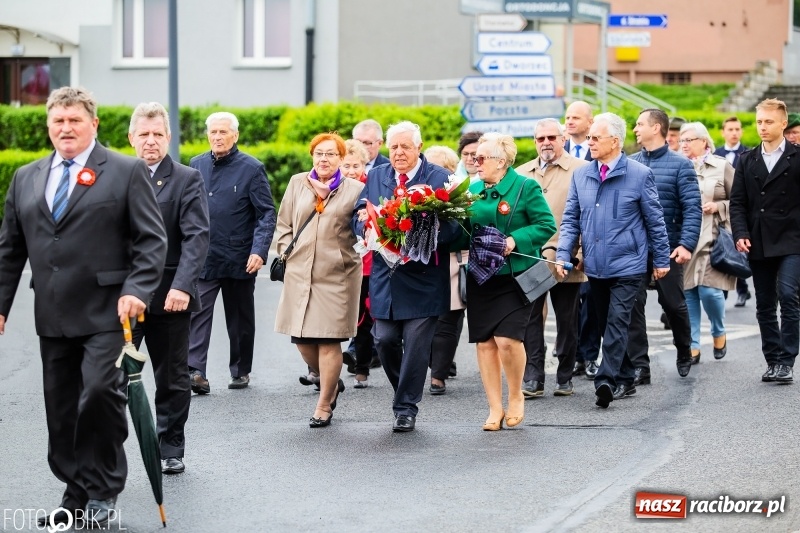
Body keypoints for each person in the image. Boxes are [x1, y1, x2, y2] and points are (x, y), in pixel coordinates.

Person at [0, 86, 167, 527]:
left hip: (109, 313)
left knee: (98, 395)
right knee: (61, 410)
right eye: (58, 121)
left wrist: (138, 289)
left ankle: (103, 491)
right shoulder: (26, 178)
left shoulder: (126, 172)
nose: (66, 128)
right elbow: (9, 251)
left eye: (74, 120)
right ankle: (75, 490)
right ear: (49, 127)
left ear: (93, 124)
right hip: (53, 314)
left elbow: (152, 241)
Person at [557, 112, 671, 408]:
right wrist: (563, 253)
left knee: (619, 321)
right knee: (608, 322)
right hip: (596, 265)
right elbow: (571, 219)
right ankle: (626, 376)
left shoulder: (639, 174)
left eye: (596, 137)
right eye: (590, 137)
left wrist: (661, 259)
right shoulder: (582, 174)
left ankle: (606, 379)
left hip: (629, 265)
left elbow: (655, 221)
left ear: (615, 142)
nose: (589, 142)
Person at [353, 121, 460, 432]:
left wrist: (423, 234)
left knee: (415, 345)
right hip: (387, 277)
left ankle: (405, 407)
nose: (398, 153)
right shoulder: (376, 176)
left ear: (419, 147)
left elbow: (458, 227)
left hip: (425, 278)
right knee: (384, 341)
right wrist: (365, 225)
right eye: (394, 147)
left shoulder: (441, 178)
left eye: (405, 147)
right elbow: (358, 215)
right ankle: (406, 390)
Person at [127, 102, 209, 475]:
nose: (150, 141)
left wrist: (183, 286)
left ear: (168, 137)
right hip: (122, 298)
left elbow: (196, 237)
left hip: (169, 297)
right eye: (143, 134)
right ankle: (107, 447)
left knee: (172, 378)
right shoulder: (115, 177)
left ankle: (170, 446)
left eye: (157, 134)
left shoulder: (186, 178)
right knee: (108, 376)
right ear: (131, 137)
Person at [459, 133, 556, 429]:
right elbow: (462, 231)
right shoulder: (472, 190)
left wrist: (516, 239)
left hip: (516, 276)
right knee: (485, 343)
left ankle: (516, 395)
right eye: (474, 158)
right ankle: (493, 407)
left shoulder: (526, 187)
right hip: (482, 276)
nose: (475, 162)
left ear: (501, 162)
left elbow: (546, 225)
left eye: (481, 158)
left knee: (507, 340)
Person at [275, 133, 364, 427]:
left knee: (329, 340)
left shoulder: (356, 190)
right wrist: (285, 252)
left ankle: (324, 403)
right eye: (319, 154)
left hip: (337, 275)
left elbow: (364, 230)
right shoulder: (297, 182)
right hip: (300, 272)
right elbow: (284, 223)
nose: (324, 159)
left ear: (340, 159)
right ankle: (330, 380)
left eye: (330, 154)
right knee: (302, 341)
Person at [187, 112, 276, 393]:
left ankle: (240, 370)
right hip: (205, 255)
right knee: (196, 314)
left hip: (240, 257)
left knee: (240, 319)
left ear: (235, 136)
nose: (217, 137)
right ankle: (195, 371)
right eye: (213, 132)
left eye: (223, 132)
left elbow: (266, 213)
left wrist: (259, 251)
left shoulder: (252, 168)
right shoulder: (195, 165)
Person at [516, 118, 589, 398]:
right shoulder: (522, 173)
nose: (546, 143)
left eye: (551, 137)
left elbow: (587, 217)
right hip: (530, 257)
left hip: (566, 257)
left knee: (567, 320)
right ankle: (534, 375)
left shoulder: (582, 171)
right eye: (540, 138)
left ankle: (565, 375)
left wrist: (580, 252)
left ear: (563, 139)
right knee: (531, 318)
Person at [628, 108, 701, 385]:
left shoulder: (681, 165)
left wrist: (685, 244)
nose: (635, 129)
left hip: (668, 247)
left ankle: (684, 349)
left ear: (656, 128)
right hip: (634, 249)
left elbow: (692, 208)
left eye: (639, 124)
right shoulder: (630, 162)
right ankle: (639, 366)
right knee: (633, 304)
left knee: (673, 304)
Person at [731, 98, 800, 384]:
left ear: (783, 124)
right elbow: (737, 203)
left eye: (769, 121)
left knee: (788, 295)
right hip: (758, 240)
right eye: (759, 121)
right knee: (765, 304)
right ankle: (773, 360)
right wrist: (741, 234)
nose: (763, 127)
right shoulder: (747, 159)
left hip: (793, 239)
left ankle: (787, 360)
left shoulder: (797, 157)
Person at [679, 122, 736, 362]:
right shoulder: (678, 167)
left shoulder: (722, 166)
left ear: (704, 141)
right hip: (685, 239)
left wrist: (719, 206)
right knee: (689, 292)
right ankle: (693, 345)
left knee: (710, 292)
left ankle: (718, 330)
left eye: (689, 140)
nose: (683, 145)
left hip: (713, 238)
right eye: (681, 141)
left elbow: (740, 201)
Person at [424, 145, 464, 396]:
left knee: (449, 319)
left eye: (437, 167)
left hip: (454, 260)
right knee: (425, 319)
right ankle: (430, 362)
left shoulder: (461, 192)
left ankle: (438, 373)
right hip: (424, 264)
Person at [340, 139, 375, 388]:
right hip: (340, 261)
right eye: (346, 166)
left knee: (364, 316)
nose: (351, 171)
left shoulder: (371, 187)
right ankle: (317, 369)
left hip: (369, 262)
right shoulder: (332, 187)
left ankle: (361, 366)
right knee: (333, 314)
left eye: (356, 165)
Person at [713, 116, 751, 307]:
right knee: (725, 248)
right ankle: (725, 291)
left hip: (742, 207)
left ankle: (743, 290)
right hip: (722, 209)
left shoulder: (749, 153)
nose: (734, 133)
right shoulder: (716, 154)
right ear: (723, 132)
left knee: (739, 250)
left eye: (737, 129)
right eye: (730, 129)